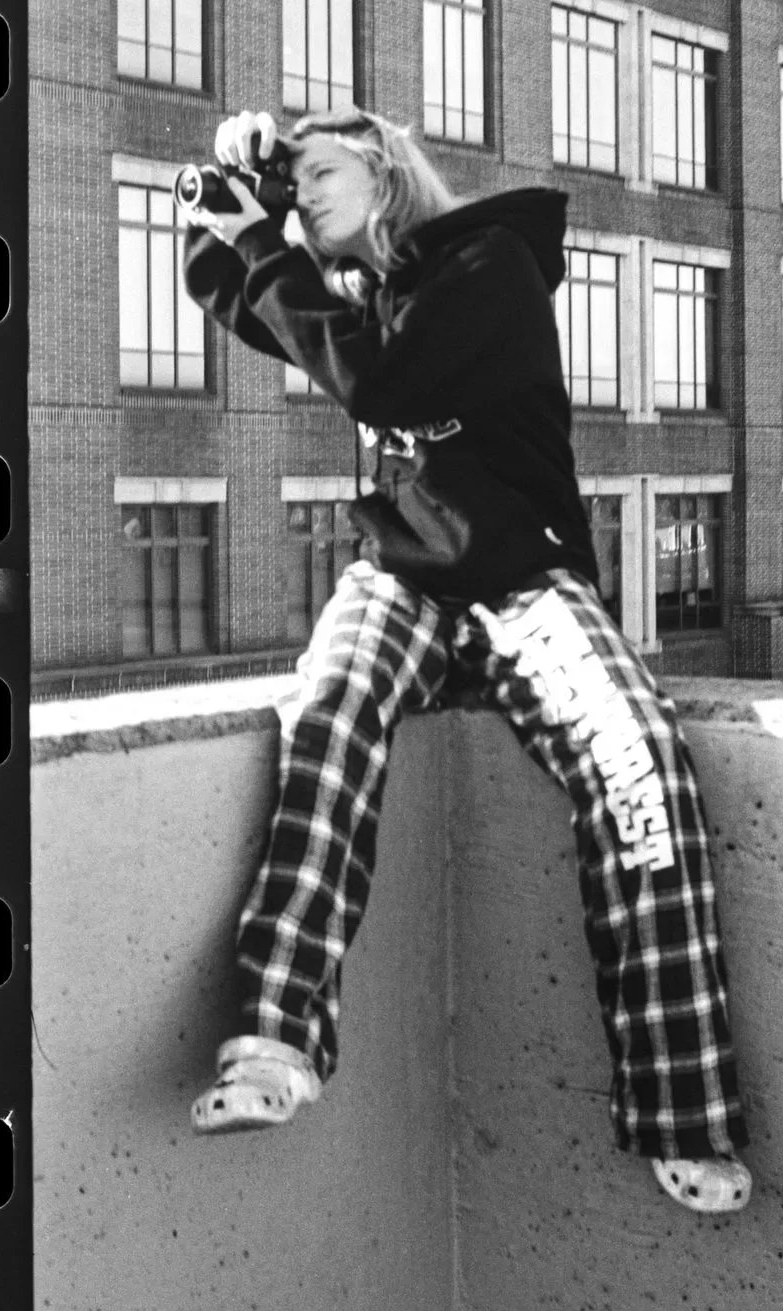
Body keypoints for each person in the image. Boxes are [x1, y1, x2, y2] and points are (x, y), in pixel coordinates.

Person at [178, 110, 752, 1215]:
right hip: (402, 578)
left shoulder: (489, 265)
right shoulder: (352, 299)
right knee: (327, 713)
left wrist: (268, 242)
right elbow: (229, 283)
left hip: (523, 573)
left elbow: (385, 385)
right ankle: (272, 1044)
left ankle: (686, 1107)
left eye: (317, 172)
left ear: (383, 166)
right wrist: (227, 178)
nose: (302, 200)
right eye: (291, 187)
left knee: (639, 758)